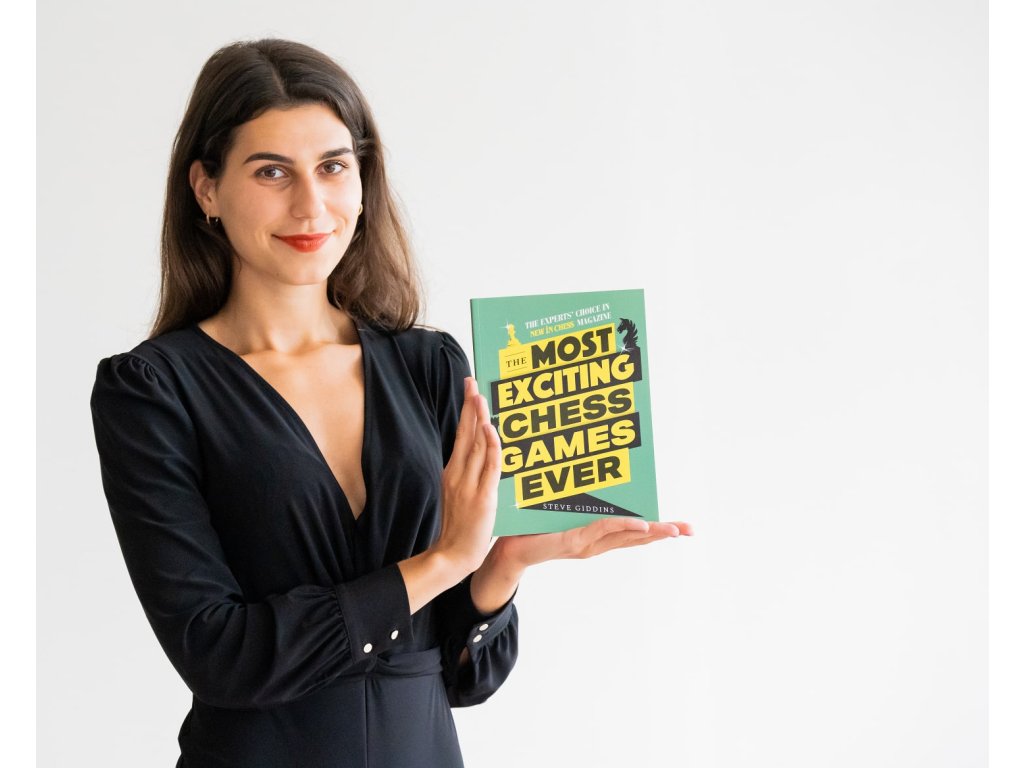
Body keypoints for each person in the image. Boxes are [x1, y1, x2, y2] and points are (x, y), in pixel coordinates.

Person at [90, 38, 691, 768]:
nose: (311, 205)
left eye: (333, 167)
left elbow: (460, 677)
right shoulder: (151, 391)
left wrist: (500, 566)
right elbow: (220, 656)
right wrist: (445, 561)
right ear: (206, 189)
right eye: (272, 171)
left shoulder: (429, 367)